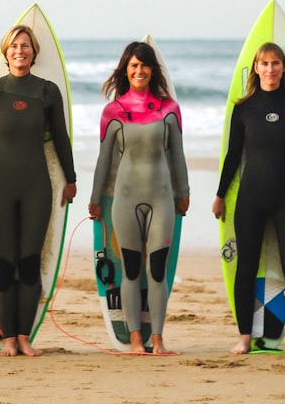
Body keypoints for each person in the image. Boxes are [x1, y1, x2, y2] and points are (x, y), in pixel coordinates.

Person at [0, 24, 76, 357]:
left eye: (25, 46)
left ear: (34, 52)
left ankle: (25, 337)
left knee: (29, 263)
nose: (20, 51)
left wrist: (71, 179)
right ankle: (7, 337)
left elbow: (61, 138)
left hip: (36, 187)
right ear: (5, 52)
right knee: (4, 263)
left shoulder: (47, 91)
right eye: (14, 46)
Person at [211, 42, 285, 355]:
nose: (270, 69)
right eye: (264, 64)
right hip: (251, 199)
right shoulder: (243, 108)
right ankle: (244, 336)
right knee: (246, 268)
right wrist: (220, 195)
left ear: (283, 68)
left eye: (275, 63)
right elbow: (233, 156)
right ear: (255, 69)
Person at [88, 41, 190, 355]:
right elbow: (104, 161)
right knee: (130, 271)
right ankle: (135, 340)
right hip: (124, 200)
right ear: (125, 70)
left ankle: (157, 340)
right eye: (133, 66)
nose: (139, 71)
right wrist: (94, 199)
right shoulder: (114, 111)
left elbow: (177, 157)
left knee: (157, 271)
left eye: (144, 65)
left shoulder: (169, 109)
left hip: (162, 200)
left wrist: (183, 193)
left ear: (152, 70)